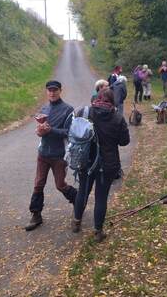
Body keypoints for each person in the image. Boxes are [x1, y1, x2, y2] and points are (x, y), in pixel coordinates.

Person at [72, 88, 130, 242]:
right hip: (108, 164)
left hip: (86, 161)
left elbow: (73, 132)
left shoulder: (86, 112)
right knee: (101, 197)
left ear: (96, 98)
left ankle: (76, 222)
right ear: (112, 102)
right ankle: (98, 231)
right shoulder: (117, 118)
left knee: (82, 191)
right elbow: (124, 142)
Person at [25, 80, 78, 231]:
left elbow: (69, 132)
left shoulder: (68, 110)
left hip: (59, 155)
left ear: (60, 91)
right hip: (43, 153)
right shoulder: (44, 108)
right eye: (49, 90)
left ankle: (77, 201)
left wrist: (51, 130)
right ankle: (36, 215)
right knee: (38, 184)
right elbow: (41, 130)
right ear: (46, 92)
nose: (52, 92)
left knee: (60, 185)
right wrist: (39, 132)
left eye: (55, 90)